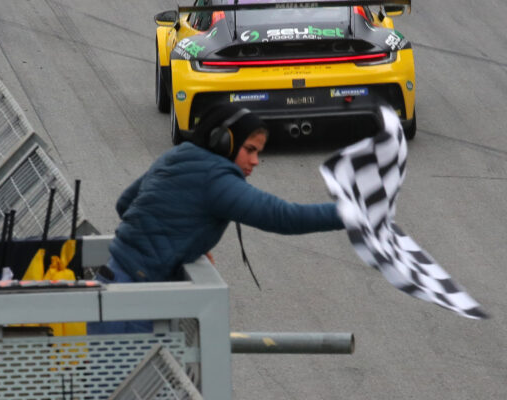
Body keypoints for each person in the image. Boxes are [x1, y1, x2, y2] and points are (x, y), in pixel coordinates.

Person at [88, 103, 343, 334]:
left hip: (111, 282)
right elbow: (285, 217)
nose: (255, 161)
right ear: (224, 141)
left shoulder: (178, 154)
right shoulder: (216, 179)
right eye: (250, 150)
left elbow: (125, 204)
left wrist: (187, 246)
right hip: (134, 305)